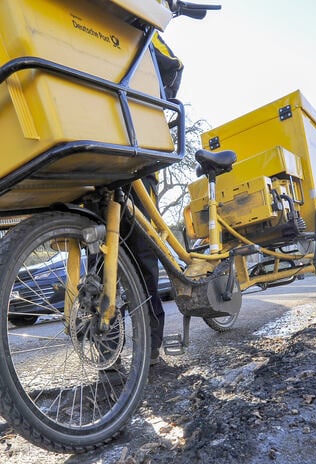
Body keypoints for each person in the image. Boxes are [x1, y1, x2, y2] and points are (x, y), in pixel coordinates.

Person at [124, 30, 183, 366]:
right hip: (137, 152)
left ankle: (108, 349)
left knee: (101, 257)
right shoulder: (140, 27)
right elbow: (173, 66)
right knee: (141, 255)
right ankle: (150, 349)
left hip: (97, 154)